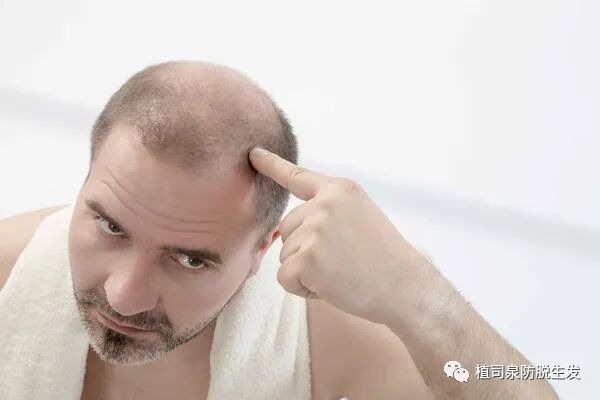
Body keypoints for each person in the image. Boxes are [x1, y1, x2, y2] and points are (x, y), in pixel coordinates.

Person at [0, 60, 558, 399]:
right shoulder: (7, 270)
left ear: (261, 251)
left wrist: (415, 290)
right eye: (109, 226)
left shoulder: (325, 332)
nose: (125, 295)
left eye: (190, 259)